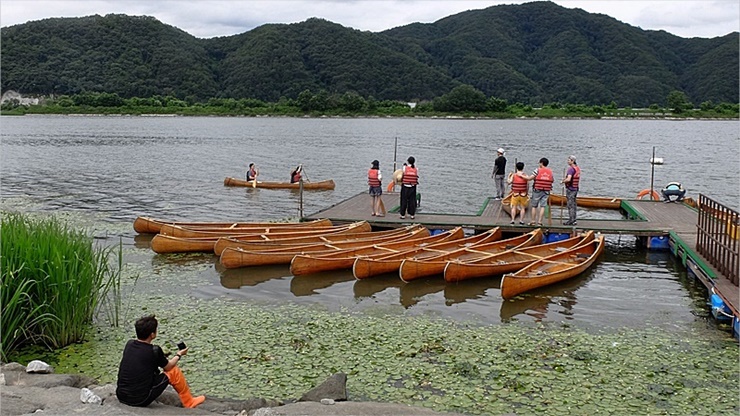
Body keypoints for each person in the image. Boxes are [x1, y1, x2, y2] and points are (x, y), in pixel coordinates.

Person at [116, 315, 205, 409]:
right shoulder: (154, 350)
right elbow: (169, 367)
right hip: (140, 400)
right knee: (173, 372)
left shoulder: (129, 344)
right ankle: (189, 402)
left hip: (121, 396)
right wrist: (179, 355)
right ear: (152, 334)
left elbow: (141, 358)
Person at [524, 157, 554, 226]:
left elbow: (529, 178)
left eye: (539, 162)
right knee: (543, 206)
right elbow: (552, 180)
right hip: (546, 190)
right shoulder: (550, 171)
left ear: (541, 163)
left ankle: (533, 221)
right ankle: (540, 222)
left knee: (534, 206)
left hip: (537, 189)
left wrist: (521, 176)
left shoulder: (537, 170)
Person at [561, 155, 580, 225]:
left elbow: (569, 179)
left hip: (571, 189)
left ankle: (571, 220)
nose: (567, 161)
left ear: (572, 161)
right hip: (575, 188)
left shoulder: (571, 169)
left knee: (570, 205)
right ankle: (574, 219)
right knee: (574, 204)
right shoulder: (577, 168)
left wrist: (563, 181)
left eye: (569, 160)